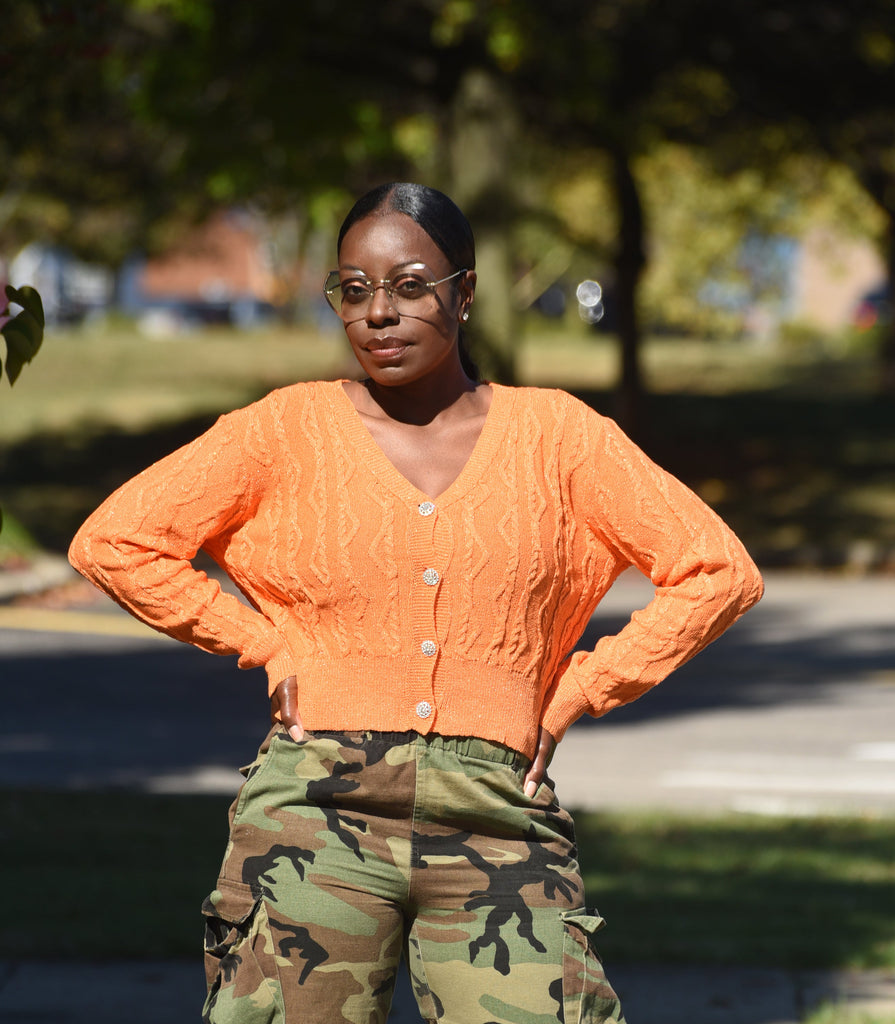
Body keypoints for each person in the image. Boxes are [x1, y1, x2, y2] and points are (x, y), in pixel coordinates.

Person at [68, 182, 763, 1024]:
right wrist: (265, 645)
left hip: (497, 810)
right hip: (312, 811)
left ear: (464, 293)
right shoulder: (285, 429)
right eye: (354, 289)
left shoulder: (559, 436)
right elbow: (116, 541)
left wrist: (581, 688)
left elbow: (717, 570)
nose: (378, 314)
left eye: (408, 286)